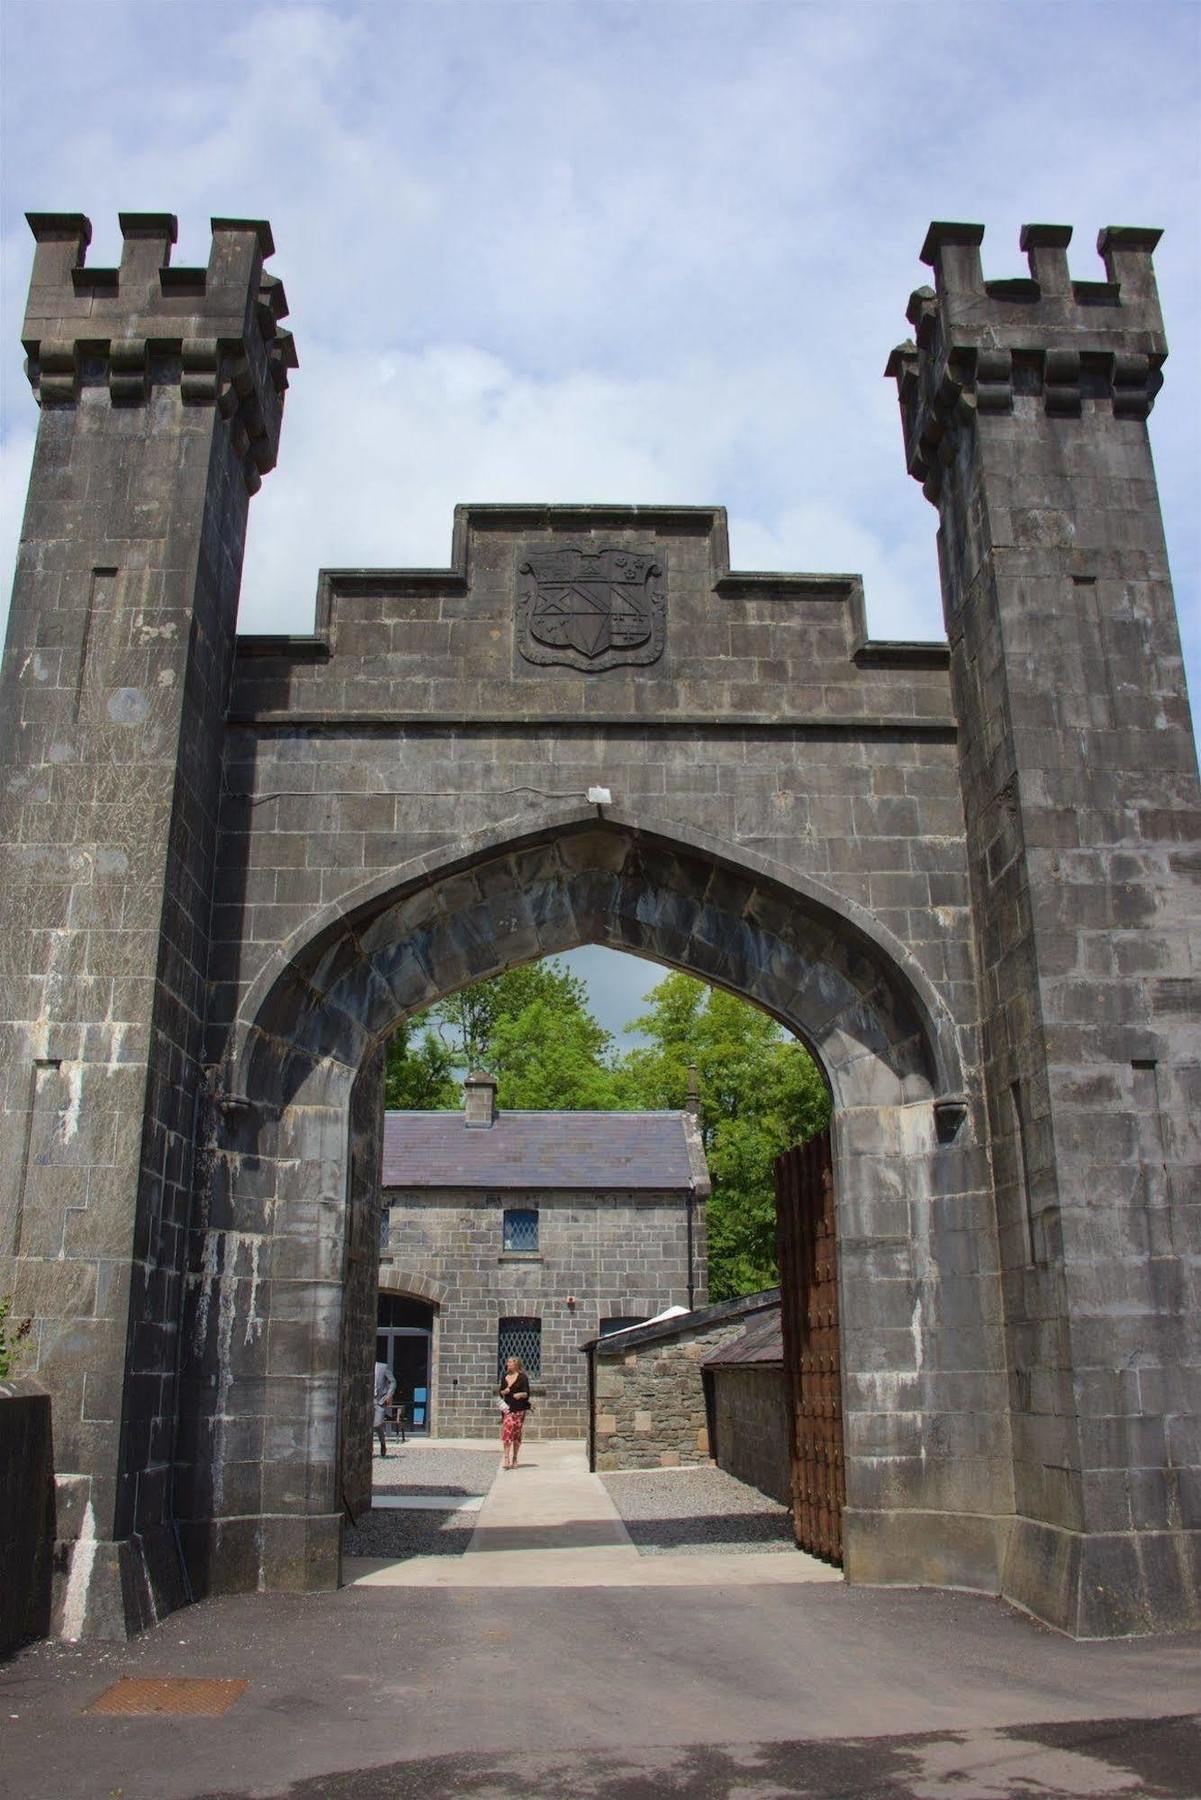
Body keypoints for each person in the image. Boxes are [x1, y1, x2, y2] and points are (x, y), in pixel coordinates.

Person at [498, 1354, 531, 1469]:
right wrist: (504, 1391)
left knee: (516, 1434)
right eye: (507, 1362)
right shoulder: (504, 1377)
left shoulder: (523, 1377)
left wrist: (520, 1394)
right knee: (507, 1431)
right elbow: (500, 1392)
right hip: (507, 1409)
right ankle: (506, 1458)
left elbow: (527, 1393)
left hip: (519, 1409)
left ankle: (515, 1458)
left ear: (516, 1364)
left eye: (510, 1362)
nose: (507, 1364)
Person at [373, 1359, 396, 1458]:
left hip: (380, 1401)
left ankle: (383, 1443)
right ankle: (370, 1447)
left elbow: (393, 1382)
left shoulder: (383, 1367)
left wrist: (388, 1395)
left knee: (377, 1424)